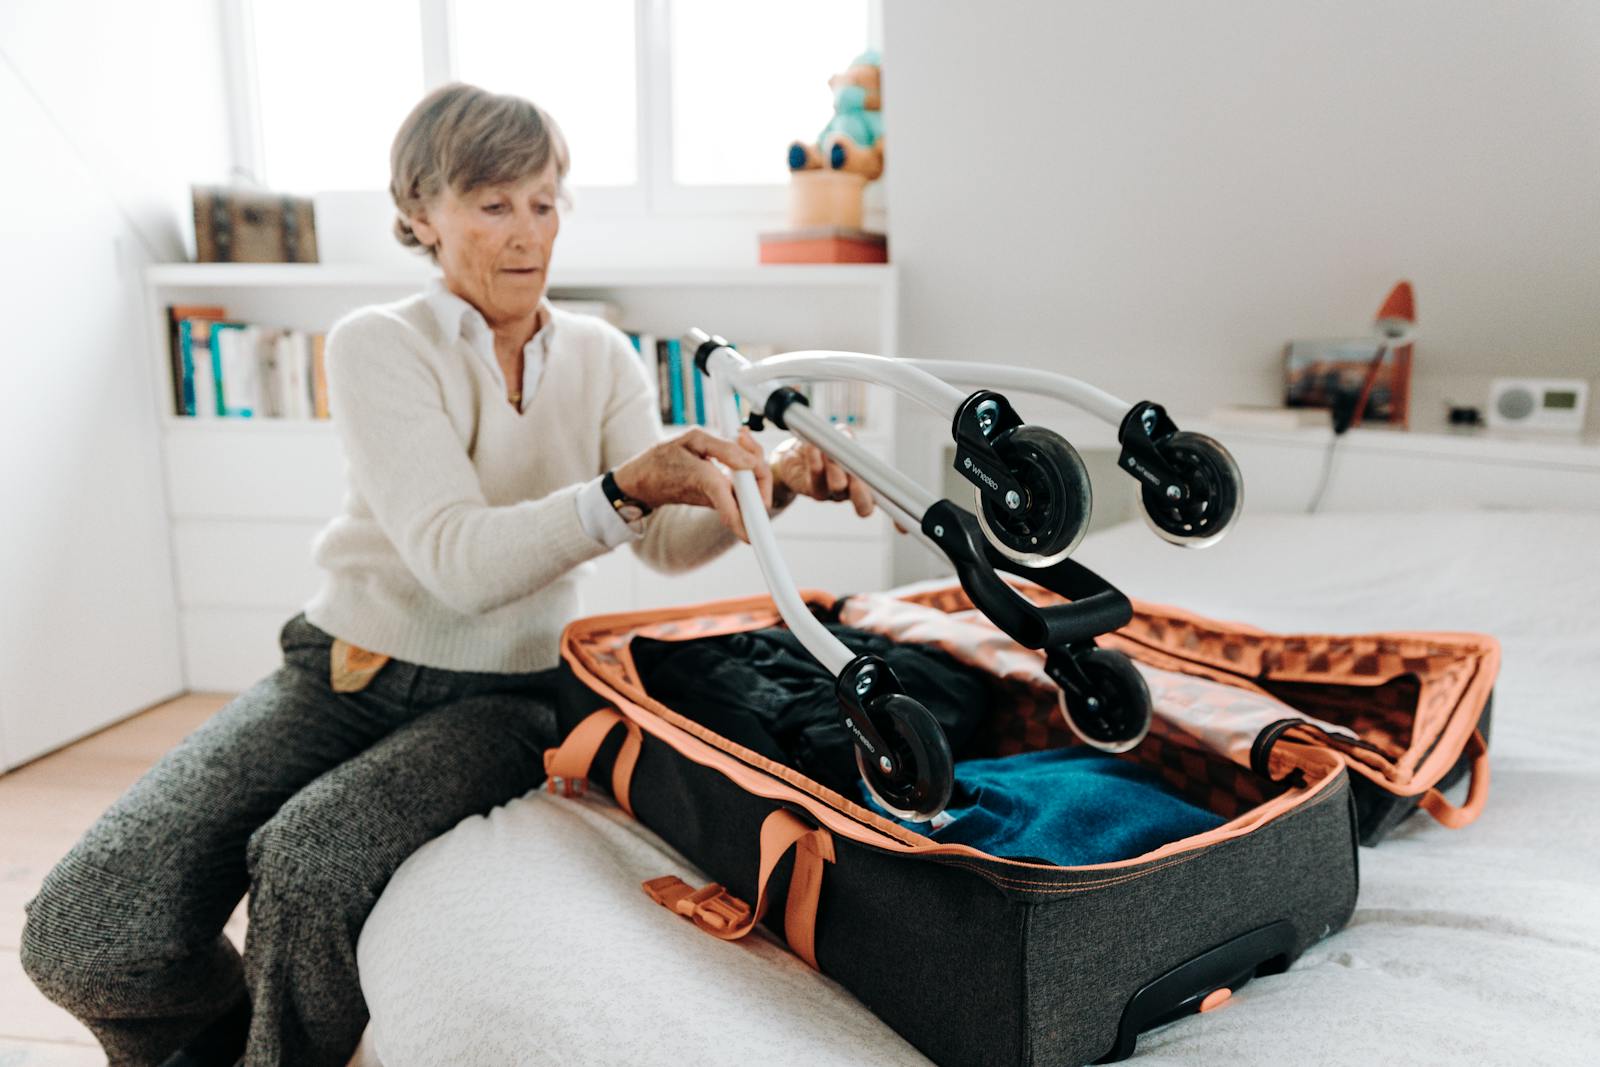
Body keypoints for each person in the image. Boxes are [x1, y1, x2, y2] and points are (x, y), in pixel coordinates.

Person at [20, 82, 877, 1067]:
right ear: (420, 213)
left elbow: (663, 540)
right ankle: (218, 1045)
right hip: (336, 671)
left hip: (503, 698)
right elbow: (459, 559)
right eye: (493, 203)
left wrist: (770, 488)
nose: (528, 234)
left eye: (544, 202)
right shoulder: (378, 344)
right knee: (83, 930)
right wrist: (627, 484)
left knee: (307, 858)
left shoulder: (599, 356)